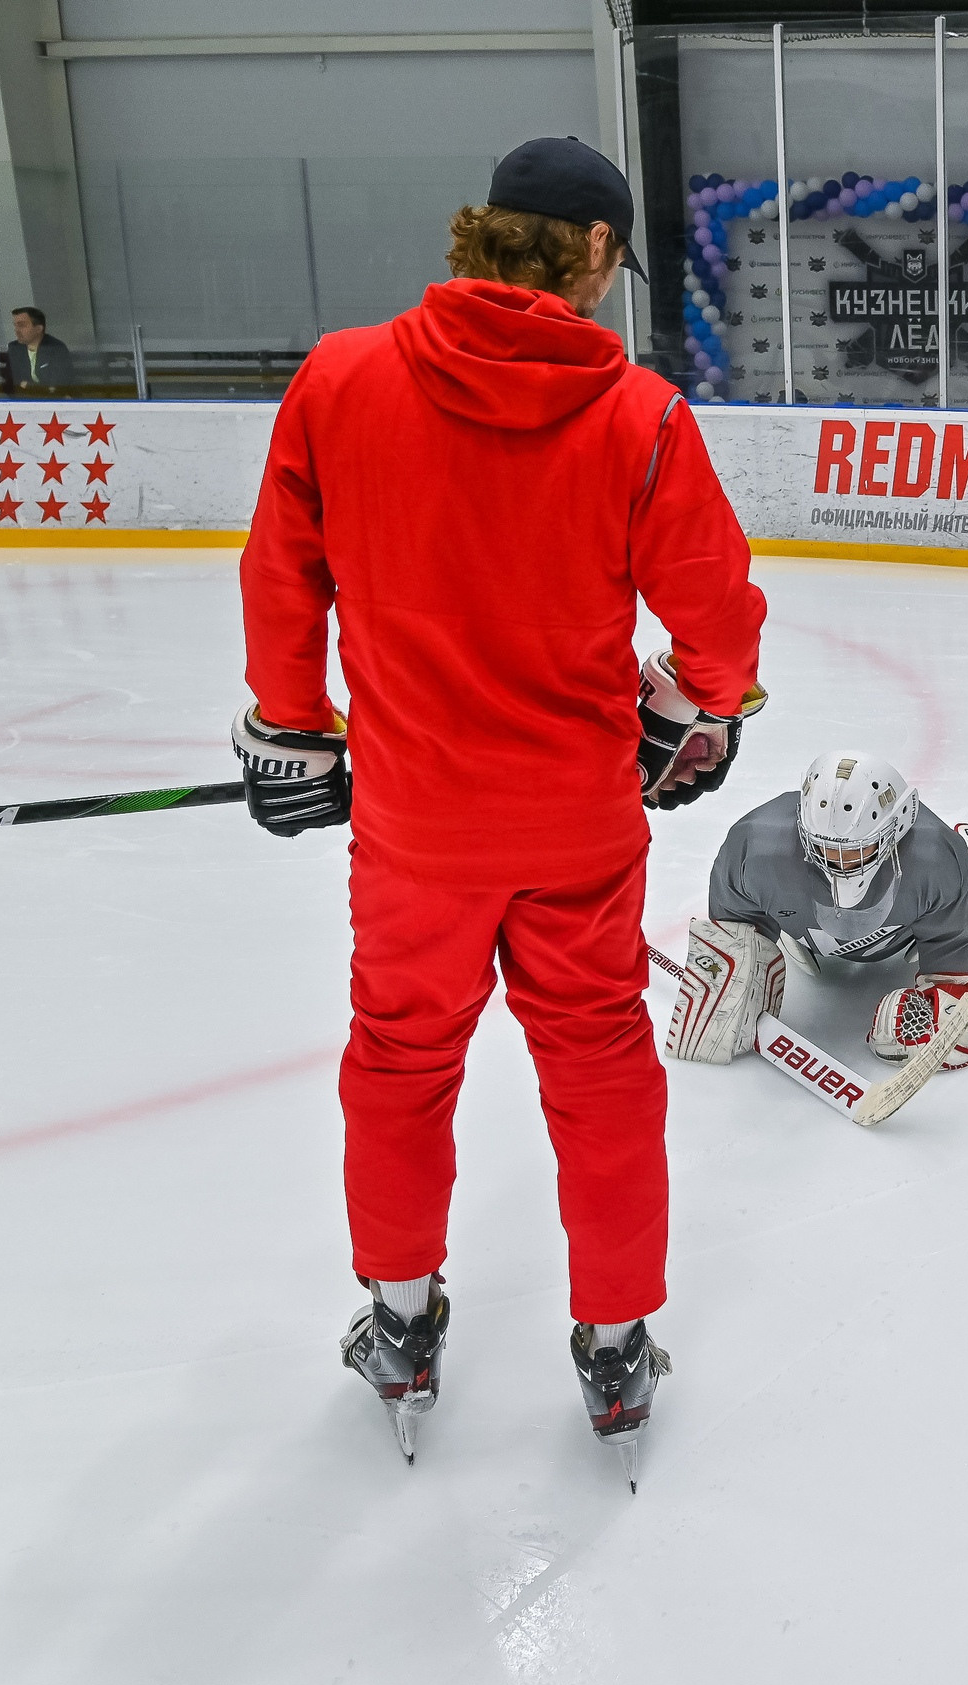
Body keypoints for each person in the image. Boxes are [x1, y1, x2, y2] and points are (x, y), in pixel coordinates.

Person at [235, 137, 766, 1472]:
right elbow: (715, 619)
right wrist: (702, 714)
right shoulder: (639, 416)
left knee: (399, 1065)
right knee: (598, 1072)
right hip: (577, 831)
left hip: (415, 832)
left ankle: (402, 1318)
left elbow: (281, 580)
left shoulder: (339, 381)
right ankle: (615, 1337)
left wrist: (295, 731)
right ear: (592, 249)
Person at [672, 750, 968, 1075]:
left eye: (858, 848)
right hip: (809, 932)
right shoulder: (753, 847)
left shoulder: (936, 859)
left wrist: (950, 1004)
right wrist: (728, 971)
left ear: (899, 826)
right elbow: (734, 940)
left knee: (960, 880)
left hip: (901, 937)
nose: (839, 863)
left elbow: (954, 969)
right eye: (822, 847)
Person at [0, 307, 75, 397]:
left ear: (38, 329)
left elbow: (57, 386)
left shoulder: (55, 348)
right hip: (23, 402)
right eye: (15, 326)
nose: (16, 330)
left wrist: (27, 386)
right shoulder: (15, 348)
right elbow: (11, 382)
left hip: (52, 402)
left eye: (21, 325)